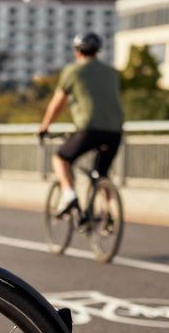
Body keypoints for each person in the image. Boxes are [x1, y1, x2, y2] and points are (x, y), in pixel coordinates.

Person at [37, 32, 124, 216]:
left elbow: (57, 103)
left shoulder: (73, 71)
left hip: (89, 129)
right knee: (101, 174)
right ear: (98, 51)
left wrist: (44, 126)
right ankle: (109, 215)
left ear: (76, 51)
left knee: (60, 158)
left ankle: (69, 195)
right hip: (115, 131)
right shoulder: (111, 72)